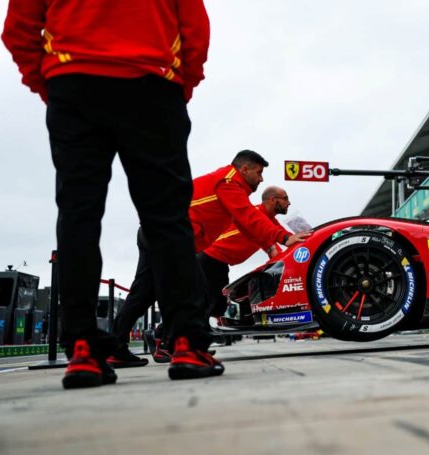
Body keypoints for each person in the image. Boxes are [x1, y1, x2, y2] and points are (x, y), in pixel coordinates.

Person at [1, 0, 217, 388]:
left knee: (78, 214)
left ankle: (81, 346)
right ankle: (186, 341)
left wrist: (47, 82)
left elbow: (18, 29)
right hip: (150, 87)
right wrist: (180, 84)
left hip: (74, 87)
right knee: (166, 217)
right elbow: (195, 28)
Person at [111, 150, 309, 363]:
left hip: (157, 231)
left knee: (143, 294)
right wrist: (284, 237)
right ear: (244, 169)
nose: (261, 179)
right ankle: (184, 349)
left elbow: (247, 224)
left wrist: (280, 242)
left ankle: (116, 349)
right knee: (197, 293)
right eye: (259, 173)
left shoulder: (228, 185)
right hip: (169, 235)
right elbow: (248, 216)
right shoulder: (229, 182)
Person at [198, 186, 294, 319]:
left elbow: (276, 247)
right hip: (209, 258)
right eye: (285, 198)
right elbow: (277, 241)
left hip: (217, 262)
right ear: (272, 200)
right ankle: (172, 334)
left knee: (216, 305)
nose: (288, 203)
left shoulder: (269, 221)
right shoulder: (256, 215)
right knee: (210, 304)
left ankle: (174, 333)